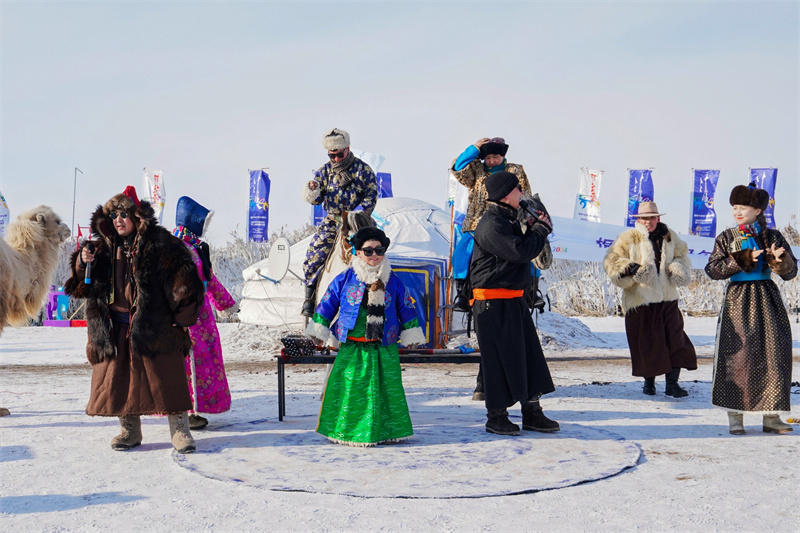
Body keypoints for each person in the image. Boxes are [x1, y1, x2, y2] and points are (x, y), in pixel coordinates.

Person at [64, 186, 205, 454]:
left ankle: (180, 431)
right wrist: (83, 263)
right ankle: (130, 431)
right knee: (120, 380)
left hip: (155, 324)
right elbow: (80, 286)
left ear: (137, 217)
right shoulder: (99, 249)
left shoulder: (160, 242)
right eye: (113, 215)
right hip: (113, 325)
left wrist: (182, 319)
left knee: (167, 379)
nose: (118, 219)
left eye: (123, 214)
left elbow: (183, 280)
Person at [305, 226, 426, 446]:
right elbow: (328, 302)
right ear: (357, 252)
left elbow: (406, 307)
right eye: (368, 251)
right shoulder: (345, 279)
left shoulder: (394, 281)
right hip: (353, 347)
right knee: (350, 392)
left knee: (386, 392)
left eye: (379, 250)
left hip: (384, 347)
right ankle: (345, 432)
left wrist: (411, 331)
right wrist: (319, 328)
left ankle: (386, 432)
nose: (374, 255)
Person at [469, 171, 559, 435]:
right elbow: (520, 252)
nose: (522, 192)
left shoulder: (506, 219)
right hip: (492, 304)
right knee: (498, 361)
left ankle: (532, 412)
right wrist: (540, 230)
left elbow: (521, 246)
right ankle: (496, 416)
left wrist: (533, 227)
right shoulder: (491, 224)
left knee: (528, 358)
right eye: (518, 188)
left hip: (512, 301)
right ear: (507, 194)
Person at [705, 183, 796, 435]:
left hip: (768, 300)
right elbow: (712, 270)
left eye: (742, 207)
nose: (737, 212)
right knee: (738, 357)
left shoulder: (774, 236)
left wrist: (781, 262)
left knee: (774, 355)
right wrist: (741, 259)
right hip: (738, 301)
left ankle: (771, 416)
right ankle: (735, 416)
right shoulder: (725, 237)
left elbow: (792, 272)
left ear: (757, 210)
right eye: (734, 207)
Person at [603, 202, 697, 397]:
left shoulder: (670, 236)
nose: (648, 222)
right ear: (638, 220)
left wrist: (678, 267)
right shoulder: (628, 238)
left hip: (668, 298)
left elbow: (681, 256)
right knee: (649, 344)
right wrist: (631, 268)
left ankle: (672, 384)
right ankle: (649, 383)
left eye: (652, 218)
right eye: (644, 218)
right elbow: (612, 262)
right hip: (641, 300)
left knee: (676, 340)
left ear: (658, 219)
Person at [173, 196, 236, 430]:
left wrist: (226, 303)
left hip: (202, 316)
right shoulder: (175, 247)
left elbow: (208, 278)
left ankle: (194, 408)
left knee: (203, 360)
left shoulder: (196, 247)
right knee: (186, 361)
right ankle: (185, 411)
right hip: (183, 315)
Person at [301, 128, 378, 317]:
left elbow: (371, 195)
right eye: (331, 155)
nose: (335, 159)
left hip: (358, 221)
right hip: (333, 221)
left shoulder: (363, 170)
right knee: (313, 256)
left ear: (347, 148)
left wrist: (360, 213)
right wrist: (312, 190)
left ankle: (378, 295)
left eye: (339, 154)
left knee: (375, 254)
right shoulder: (323, 172)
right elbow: (316, 200)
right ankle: (310, 300)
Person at [449, 137, 532, 312]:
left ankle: (531, 292)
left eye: (495, 157)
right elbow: (457, 168)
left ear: (503, 156)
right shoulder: (476, 170)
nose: (491, 161)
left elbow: (525, 195)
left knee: (526, 251)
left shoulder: (514, 170)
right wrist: (475, 148)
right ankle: (463, 295)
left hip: (507, 222)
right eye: (487, 158)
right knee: (461, 255)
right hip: (476, 223)